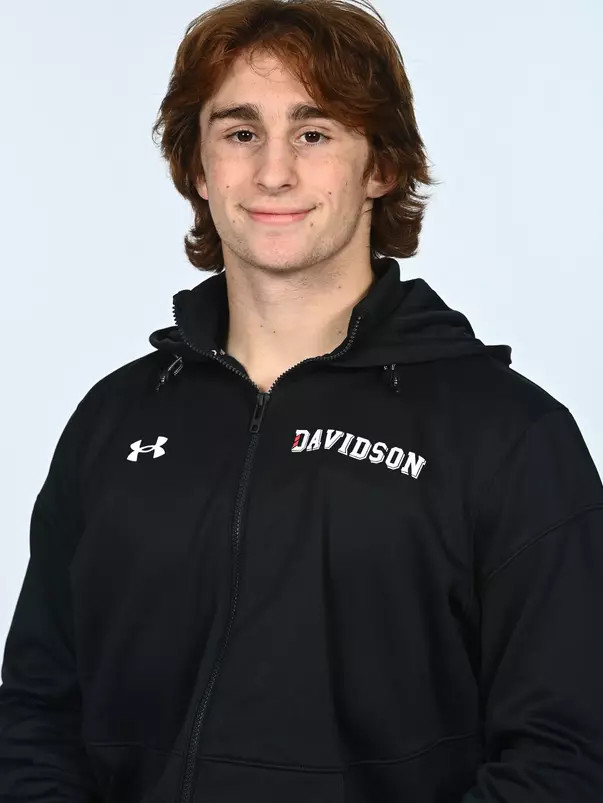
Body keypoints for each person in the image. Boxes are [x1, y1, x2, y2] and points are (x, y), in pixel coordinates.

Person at [1, 0, 603, 800]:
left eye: (313, 134)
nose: (273, 171)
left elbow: (567, 755)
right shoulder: (115, 421)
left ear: (379, 167)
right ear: (197, 168)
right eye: (240, 132)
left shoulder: (509, 435)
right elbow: (34, 718)